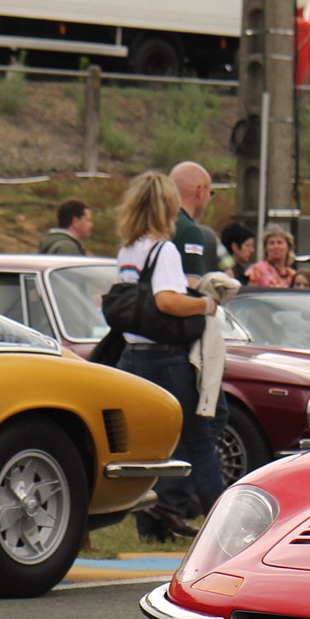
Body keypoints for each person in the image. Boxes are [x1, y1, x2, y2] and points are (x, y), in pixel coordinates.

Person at [111, 172, 225, 542]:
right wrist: (208, 304)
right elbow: (166, 300)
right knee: (198, 439)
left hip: (132, 354)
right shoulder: (165, 250)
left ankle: (150, 523)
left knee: (146, 444)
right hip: (167, 357)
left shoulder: (128, 250)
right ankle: (227, 525)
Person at [169, 161, 221, 282]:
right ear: (200, 191)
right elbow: (191, 286)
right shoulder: (190, 231)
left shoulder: (149, 222)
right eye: (210, 193)